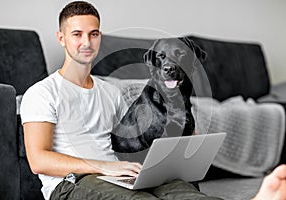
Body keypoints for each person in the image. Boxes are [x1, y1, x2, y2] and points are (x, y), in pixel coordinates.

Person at [20, 1, 286, 200]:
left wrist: (184, 144)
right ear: (62, 38)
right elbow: (39, 160)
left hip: (123, 174)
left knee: (184, 193)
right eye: (77, 34)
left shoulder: (110, 92)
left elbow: (132, 139)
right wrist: (103, 167)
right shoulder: (43, 92)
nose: (86, 42)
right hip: (72, 183)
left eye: (94, 33)